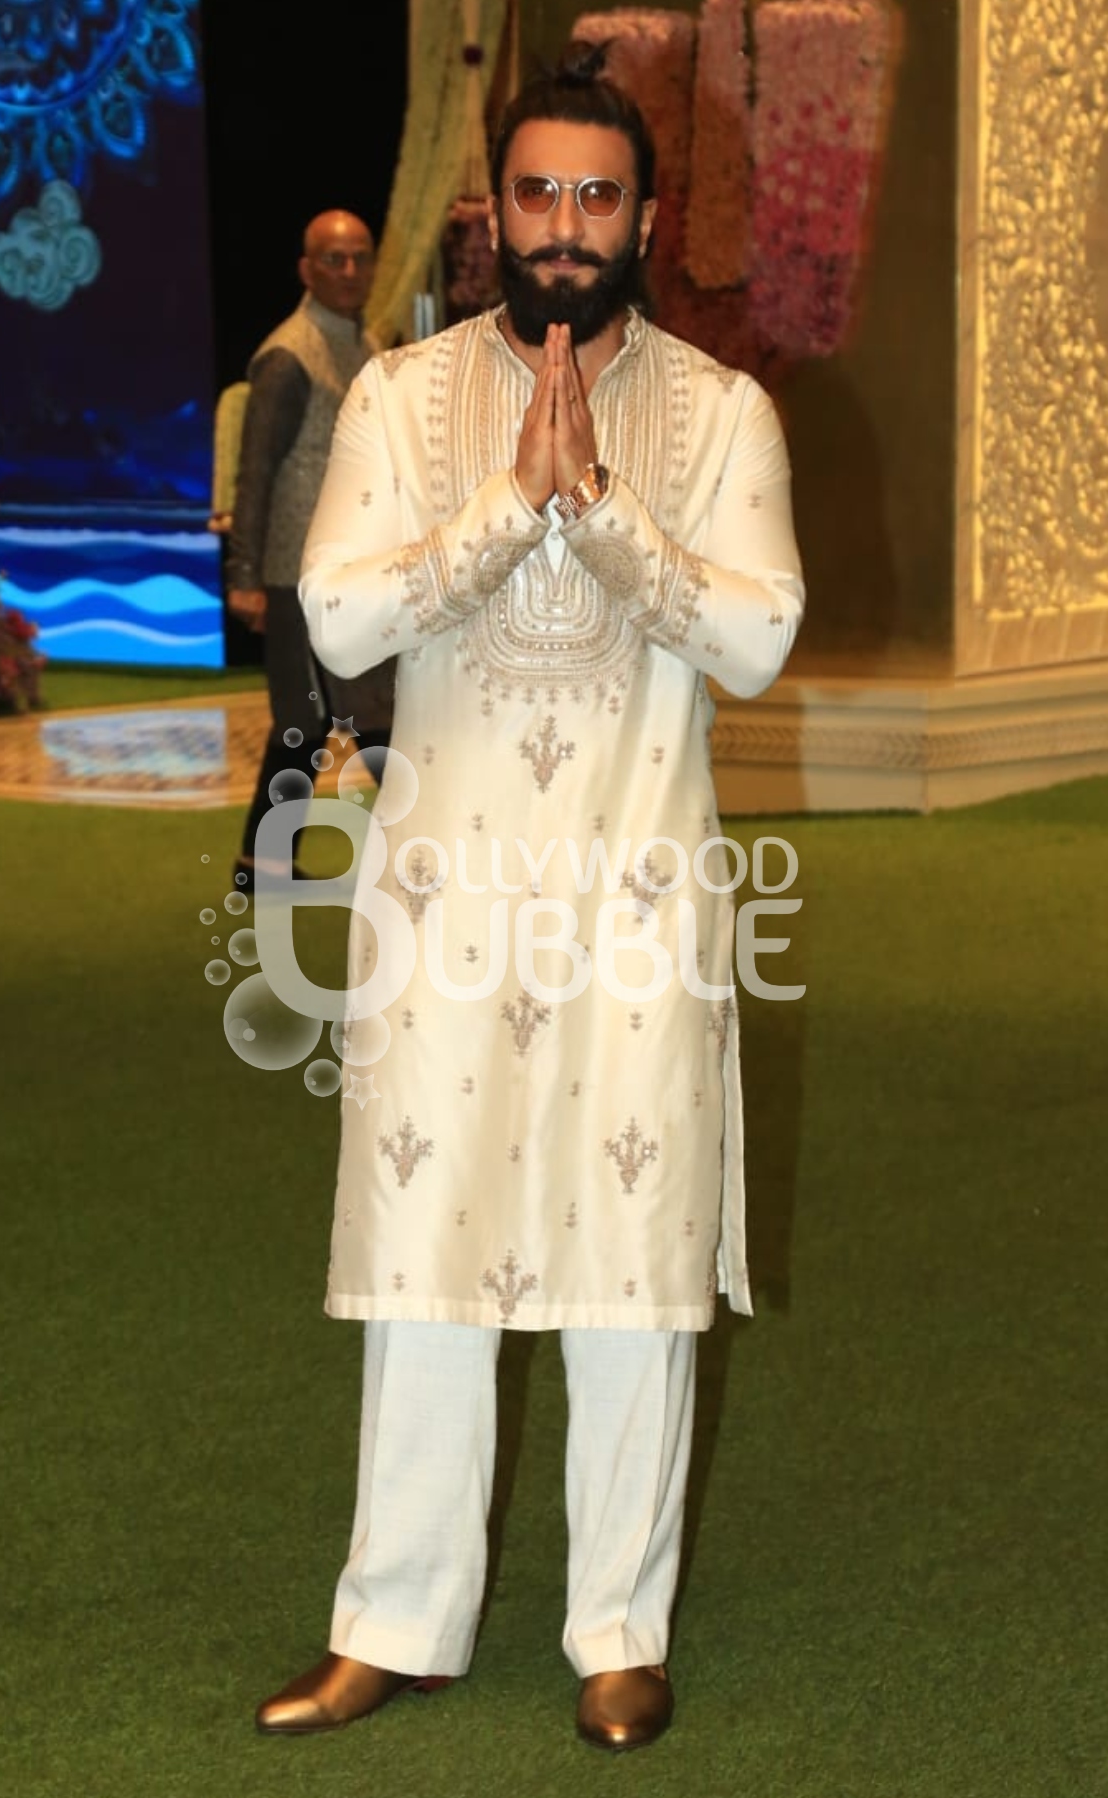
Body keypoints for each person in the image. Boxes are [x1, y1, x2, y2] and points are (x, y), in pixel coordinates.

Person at [254, 43, 805, 1751]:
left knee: (632, 1261)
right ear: (494, 210)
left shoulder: (722, 415)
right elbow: (338, 626)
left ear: (645, 214)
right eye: (542, 194)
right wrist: (507, 511)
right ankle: (392, 1615)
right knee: (431, 1260)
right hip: (449, 896)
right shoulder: (402, 402)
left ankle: (617, 1625)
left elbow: (760, 637)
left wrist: (613, 521)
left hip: (636, 893)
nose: (568, 227)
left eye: (601, 195)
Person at [225, 209, 394, 890]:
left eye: (359, 258)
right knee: (307, 720)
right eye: (334, 259)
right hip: (297, 570)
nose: (349, 271)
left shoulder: (368, 345)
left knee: (360, 712)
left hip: (356, 568)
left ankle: (262, 867)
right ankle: (263, 866)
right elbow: (255, 469)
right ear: (307, 269)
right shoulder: (288, 356)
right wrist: (244, 575)